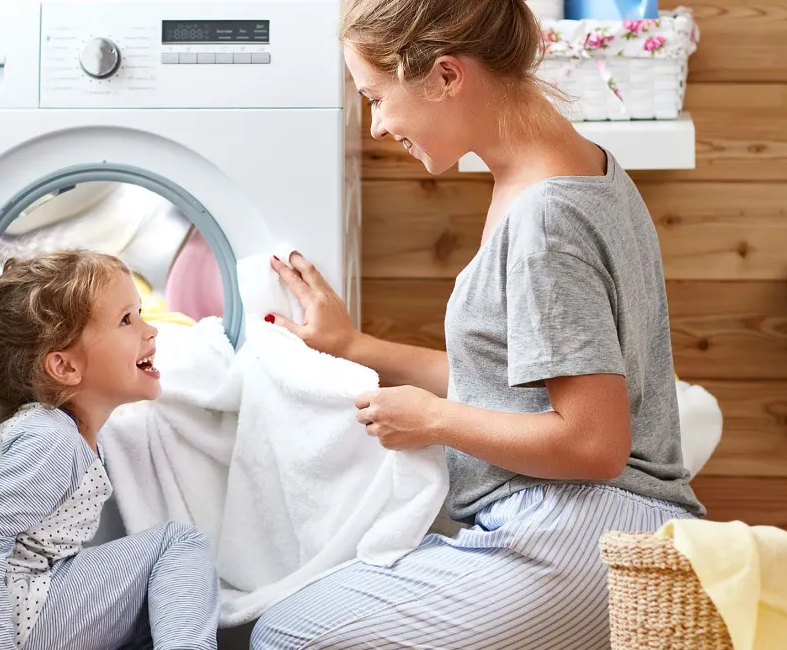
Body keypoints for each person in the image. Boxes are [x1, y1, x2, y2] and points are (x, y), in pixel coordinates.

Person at [249, 0, 704, 646]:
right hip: (597, 531)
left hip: (575, 541)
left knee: (285, 635)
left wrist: (431, 420)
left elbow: (594, 443)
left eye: (376, 98)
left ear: (446, 77)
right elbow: (508, 385)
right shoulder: (576, 167)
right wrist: (355, 346)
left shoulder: (547, 217)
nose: (376, 126)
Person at [0, 250, 220, 650]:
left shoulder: (63, 433)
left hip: (26, 614)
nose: (149, 330)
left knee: (152, 612)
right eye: (126, 319)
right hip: (19, 621)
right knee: (179, 544)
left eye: (139, 312)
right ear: (66, 368)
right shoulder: (49, 439)